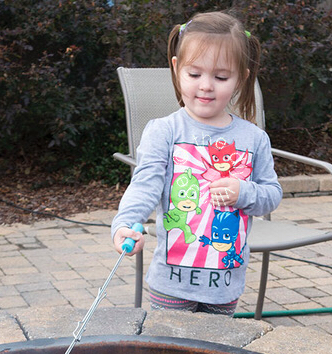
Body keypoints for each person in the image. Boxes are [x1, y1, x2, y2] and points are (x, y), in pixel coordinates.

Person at [111, 11, 282, 315]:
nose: (206, 86)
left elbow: (271, 195)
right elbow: (145, 186)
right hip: (170, 283)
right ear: (176, 69)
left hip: (225, 284)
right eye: (194, 74)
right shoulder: (164, 131)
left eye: (220, 77)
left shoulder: (254, 138)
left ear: (241, 77)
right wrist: (124, 223)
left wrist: (244, 192)